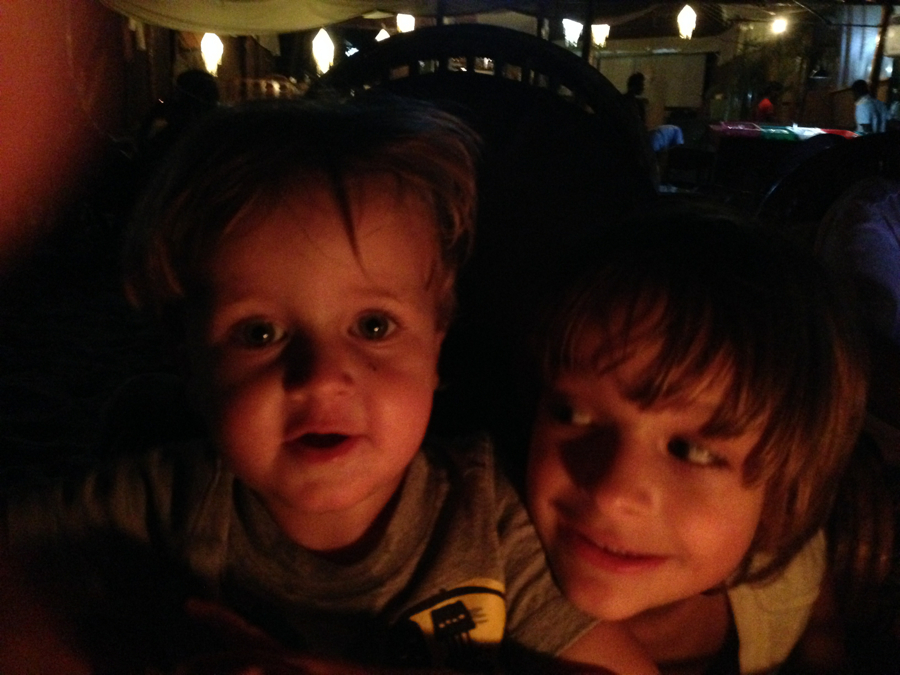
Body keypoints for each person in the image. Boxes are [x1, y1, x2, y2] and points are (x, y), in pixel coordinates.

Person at [0, 96, 655, 675]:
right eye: (259, 333)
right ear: (188, 358)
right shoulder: (151, 509)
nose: (320, 376)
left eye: (373, 326)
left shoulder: (490, 519)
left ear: (437, 343)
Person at [521, 208, 874, 674]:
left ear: (781, 501)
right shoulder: (475, 593)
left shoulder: (786, 567)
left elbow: (821, 633)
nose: (612, 494)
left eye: (693, 451)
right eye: (573, 414)